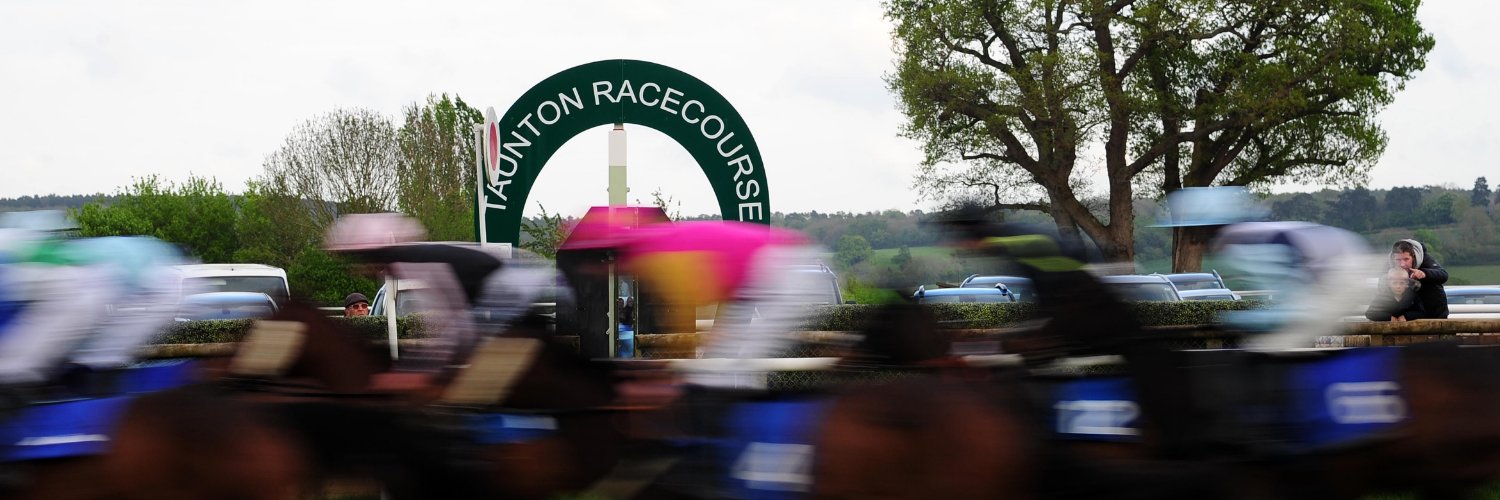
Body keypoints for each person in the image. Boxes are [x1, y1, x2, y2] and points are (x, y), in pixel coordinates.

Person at [1390, 239, 1448, 319]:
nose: (1402, 264)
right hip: (1406, 315)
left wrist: (1424, 274)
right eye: (1398, 260)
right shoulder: (1389, 264)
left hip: (1435, 313)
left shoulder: (1424, 258)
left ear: (1413, 257)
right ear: (1393, 258)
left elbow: (1443, 275)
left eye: (1406, 259)